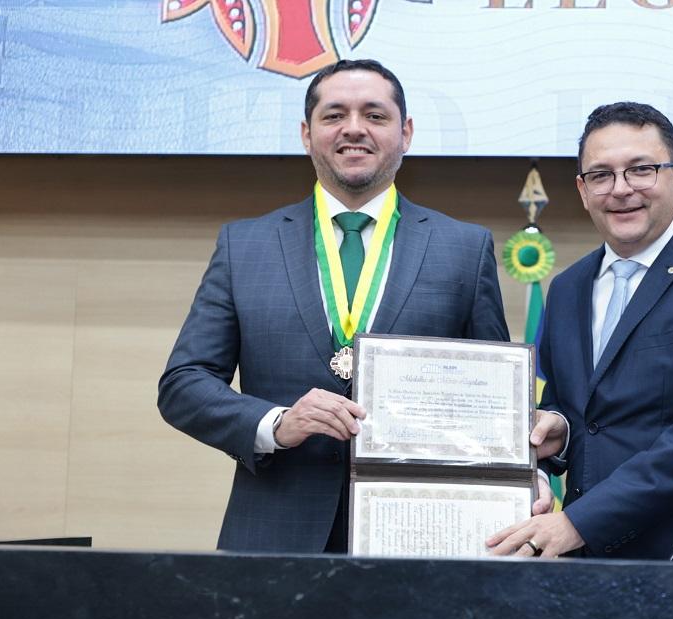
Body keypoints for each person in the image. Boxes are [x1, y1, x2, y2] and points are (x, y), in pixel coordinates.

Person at [158, 59, 509, 553]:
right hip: (274, 535)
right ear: (307, 133)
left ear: (405, 133)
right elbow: (183, 385)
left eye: (375, 115)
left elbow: (492, 400)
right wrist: (275, 424)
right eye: (334, 115)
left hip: (421, 537)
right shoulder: (245, 246)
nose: (354, 129)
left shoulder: (464, 249)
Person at [487, 102, 673, 560]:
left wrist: (580, 522)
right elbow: (574, 409)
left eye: (641, 170)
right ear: (583, 191)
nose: (621, 190)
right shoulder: (567, 289)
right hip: (583, 559)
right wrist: (558, 427)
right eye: (601, 175)